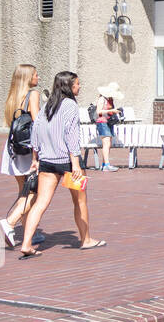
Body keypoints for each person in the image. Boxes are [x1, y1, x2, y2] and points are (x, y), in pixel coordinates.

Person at [18, 71, 105, 257]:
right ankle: (86, 239)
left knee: (40, 202)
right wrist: (75, 163)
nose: (79, 87)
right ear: (69, 86)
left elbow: (36, 132)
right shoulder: (70, 105)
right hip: (67, 161)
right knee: (80, 201)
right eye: (77, 84)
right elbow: (71, 135)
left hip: (47, 161)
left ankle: (26, 243)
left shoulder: (47, 105)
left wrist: (35, 158)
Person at [0, 64, 44, 249]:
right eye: (35, 74)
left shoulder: (12, 96)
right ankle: (10, 222)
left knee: (24, 190)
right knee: (36, 191)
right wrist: (37, 155)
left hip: (12, 148)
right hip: (28, 150)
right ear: (28, 78)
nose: (38, 78)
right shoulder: (33, 95)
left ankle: (28, 232)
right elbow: (37, 123)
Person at [93, 82, 123, 172]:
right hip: (102, 122)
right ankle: (106, 165)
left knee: (108, 144)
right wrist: (111, 110)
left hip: (108, 122)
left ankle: (104, 164)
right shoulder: (102, 99)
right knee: (106, 143)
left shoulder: (110, 99)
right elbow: (98, 111)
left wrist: (114, 112)